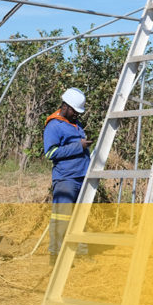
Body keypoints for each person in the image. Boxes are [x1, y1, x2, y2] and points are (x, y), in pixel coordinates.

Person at [43, 87, 92, 264]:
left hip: (81, 176)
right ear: (66, 106)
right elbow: (50, 153)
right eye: (75, 111)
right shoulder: (54, 125)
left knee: (80, 218)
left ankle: (81, 253)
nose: (77, 115)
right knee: (62, 218)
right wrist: (79, 146)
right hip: (66, 178)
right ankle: (56, 256)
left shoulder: (75, 124)